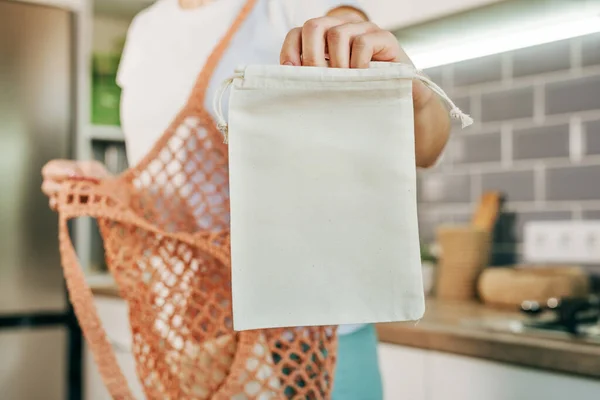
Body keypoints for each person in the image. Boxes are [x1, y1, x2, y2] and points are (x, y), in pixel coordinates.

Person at [42, 1, 450, 398]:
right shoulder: (145, 30)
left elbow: (426, 149)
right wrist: (113, 188)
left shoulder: (288, 8)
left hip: (311, 341)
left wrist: (409, 87)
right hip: (194, 335)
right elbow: (170, 196)